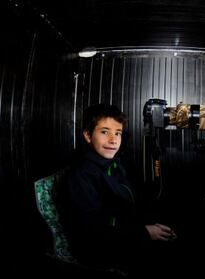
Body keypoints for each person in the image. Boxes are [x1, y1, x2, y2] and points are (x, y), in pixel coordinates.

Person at [57, 103, 176, 275]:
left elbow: (130, 205)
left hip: (125, 234)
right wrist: (144, 232)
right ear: (88, 135)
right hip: (100, 250)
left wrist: (150, 225)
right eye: (104, 132)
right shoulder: (81, 176)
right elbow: (92, 235)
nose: (113, 140)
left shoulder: (115, 163)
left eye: (118, 133)